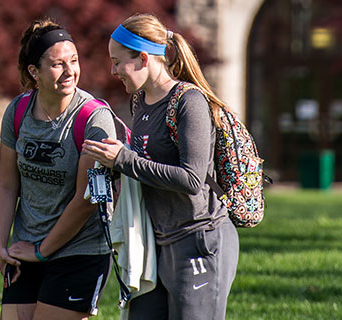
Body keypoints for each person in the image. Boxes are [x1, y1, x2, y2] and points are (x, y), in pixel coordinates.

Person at [82, 13, 240, 319]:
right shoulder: (140, 102)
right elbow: (147, 164)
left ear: (143, 59)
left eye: (117, 62)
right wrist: (113, 166)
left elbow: (192, 179)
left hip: (198, 239)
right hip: (157, 242)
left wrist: (124, 160)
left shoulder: (188, 102)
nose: (113, 71)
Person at [0, 18, 120, 320]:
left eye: (73, 61)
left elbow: (87, 199)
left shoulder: (93, 118)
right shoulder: (18, 111)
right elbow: (7, 184)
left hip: (80, 250)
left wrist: (41, 250)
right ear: (33, 72)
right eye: (57, 64)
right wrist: (0, 245)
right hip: (26, 246)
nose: (69, 72)